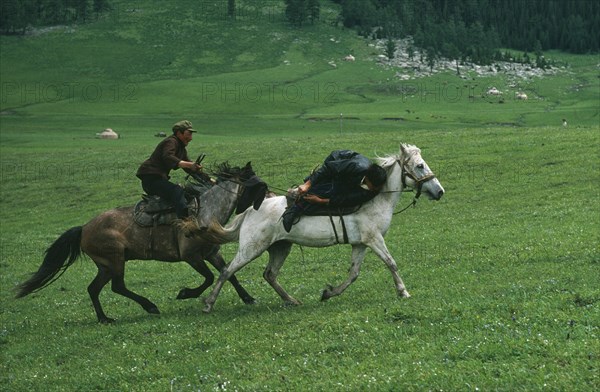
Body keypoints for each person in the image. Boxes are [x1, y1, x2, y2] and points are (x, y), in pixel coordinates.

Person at [282, 149, 387, 232]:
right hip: (335, 162)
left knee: (341, 192)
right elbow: (329, 168)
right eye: (374, 187)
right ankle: (293, 210)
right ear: (368, 180)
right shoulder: (356, 167)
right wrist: (307, 185)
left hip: (348, 175)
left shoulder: (372, 185)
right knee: (328, 190)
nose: (375, 190)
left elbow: (348, 199)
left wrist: (321, 201)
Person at [136, 120, 203, 219]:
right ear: (179, 133)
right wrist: (189, 165)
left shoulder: (181, 148)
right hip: (150, 179)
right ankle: (185, 222)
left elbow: (190, 169)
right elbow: (167, 156)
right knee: (177, 191)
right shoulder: (171, 141)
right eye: (188, 134)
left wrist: (210, 180)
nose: (190, 138)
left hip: (158, 179)